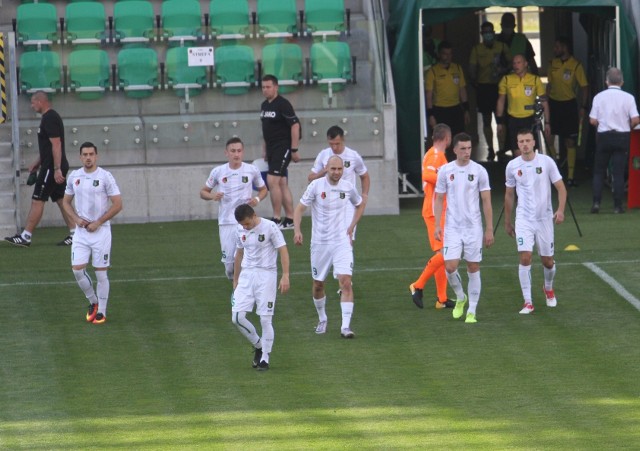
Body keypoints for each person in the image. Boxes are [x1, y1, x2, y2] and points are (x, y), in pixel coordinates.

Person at [293, 155, 366, 338]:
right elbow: (299, 209)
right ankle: (322, 318)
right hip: (320, 243)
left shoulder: (348, 187)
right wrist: (297, 230)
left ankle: (345, 327)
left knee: (346, 281)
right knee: (318, 284)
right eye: (333, 169)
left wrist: (351, 226)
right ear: (326, 168)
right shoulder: (316, 186)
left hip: (341, 242)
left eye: (340, 169)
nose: (336, 172)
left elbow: (359, 204)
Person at [504, 129, 567, 314]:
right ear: (517, 144)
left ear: (534, 143)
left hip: (544, 219)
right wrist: (508, 221)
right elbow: (509, 195)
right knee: (525, 257)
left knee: (548, 261)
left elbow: (561, 188)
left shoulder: (546, 162)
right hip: (524, 218)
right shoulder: (512, 166)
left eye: (527, 140)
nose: (524, 144)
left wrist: (561, 210)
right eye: (521, 141)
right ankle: (528, 302)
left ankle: (548, 288)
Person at [433, 133, 494, 323]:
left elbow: (486, 200)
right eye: (463, 149)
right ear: (455, 150)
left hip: (473, 228)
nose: (467, 152)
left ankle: (472, 311)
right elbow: (440, 198)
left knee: (473, 266)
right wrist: (437, 224)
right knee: (450, 267)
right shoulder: (445, 171)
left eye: (469, 148)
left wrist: (489, 228)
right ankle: (460, 296)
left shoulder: (479, 171)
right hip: (452, 227)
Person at [61, 142, 122, 324]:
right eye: (85, 154)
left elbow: (118, 204)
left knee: (101, 273)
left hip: (101, 232)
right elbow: (65, 202)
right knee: (77, 270)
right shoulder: (74, 176)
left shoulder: (105, 177)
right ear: (80, 157)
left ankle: (102, 311)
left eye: (91, 154)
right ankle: (93, 302)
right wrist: (76, 220)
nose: (88, 157)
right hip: (81, 233)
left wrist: (99, 222)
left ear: (96, 156)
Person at [4, 91, 75, 247]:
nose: (31, 106)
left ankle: (26, 236)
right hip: (50, 164)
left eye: (32, 102)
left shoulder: (49, 118)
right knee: (62, 200)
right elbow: (48, 147)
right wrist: (37, 162)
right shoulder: (48, 118)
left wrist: (56, 169)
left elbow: (56, 144)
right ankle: (76, 234)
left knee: (38, 199)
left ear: (40, 102)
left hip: (52, 167)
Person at [231, 204, 290, 371]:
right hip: (247, 275)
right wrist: (235, 279)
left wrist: (285, 275)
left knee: (265, 319)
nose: (245, 227)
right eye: (243, 225)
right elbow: (239, 254)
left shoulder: (270, 227)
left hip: (267, 275)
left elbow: (283, 250)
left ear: (254, 215)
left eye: (247, 224)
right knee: (237, 317)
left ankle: (265, 356)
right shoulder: (240, 229)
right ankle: (258, 345)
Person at [200, 137, 268, 280]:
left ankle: (242, 293)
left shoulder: (251, 170)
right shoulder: (218, 171)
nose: (236, 154)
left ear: (243, 152)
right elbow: (203, 192)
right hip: (226, 222)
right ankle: (234, 282)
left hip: (246, 222)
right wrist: (213, 196)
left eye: (239, 151)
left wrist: (256, 199)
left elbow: (263, 190)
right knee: (230, 266)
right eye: (233, 151)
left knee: (248, 261)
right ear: (226, 153)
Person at [409, 123, 454, 310]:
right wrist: (452, 181)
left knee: (441, 254)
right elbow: (428, 175)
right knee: (444, 254)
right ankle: (417, 285)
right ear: (447, 138)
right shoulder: (436, 155)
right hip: (435, 212)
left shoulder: (436, 154)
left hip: (439, 210)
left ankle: (441, 299)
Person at [589, 68, 640, 214]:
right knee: (618, 172)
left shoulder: (599, 97)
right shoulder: (628, 97)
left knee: (599, 171)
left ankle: (596, 203)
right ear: (622, 81)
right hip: (622, 136)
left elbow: (592, 120)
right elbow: (636, 119)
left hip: (604, 136)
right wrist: (628, 126)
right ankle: (618, 206)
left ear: (606, 81)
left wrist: (601, 124)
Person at [546, 37, 589, 187]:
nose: (555, 49)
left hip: (569, 105)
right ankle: (554, 172)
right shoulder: (552, 63)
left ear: (565, 47)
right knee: (549, 137)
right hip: (553, 104)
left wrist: (583, 106)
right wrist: (544, 102)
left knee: (569, 141)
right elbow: (549, 85)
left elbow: (584, 87)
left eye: (557, 46)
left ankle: (570, 176)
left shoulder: (576, 65)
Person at [260, 74, 301, 229]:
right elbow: (266, 129)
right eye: (263, 87)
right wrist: (265, 149)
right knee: (282, 183)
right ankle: (290, 219)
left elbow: (295, 125)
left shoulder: (283, 104)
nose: (265, 90)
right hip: (271, 149)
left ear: (276, 87)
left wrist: (294, 149)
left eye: (268, 87)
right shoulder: (264, 105)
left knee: (272, 181)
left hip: (282, 147)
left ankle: (276, 218)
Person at [469, 21, 511, 161]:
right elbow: (472, 69)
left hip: (500, 88)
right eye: (485, 32)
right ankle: (490, 149)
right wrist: (474, 81)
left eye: (490, 32)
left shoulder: (502, 47)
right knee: (486, 121)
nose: (488, 34)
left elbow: (512, 64)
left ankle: (502, 149)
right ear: (482, 34)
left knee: (501, 120)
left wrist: (503, 70)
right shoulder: (477, 49)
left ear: (494, 32)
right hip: (484, 88)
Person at [496, 54, 550, 158]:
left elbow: (544, 102)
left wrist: (547, 122)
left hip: (530, 120)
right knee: (517, 153)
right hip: (513, 120)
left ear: (525, 64)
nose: (516, 65)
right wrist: (499, 122)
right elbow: (501, 101)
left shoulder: (534, 80)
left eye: (519, 62)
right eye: (514, 63)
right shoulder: (506, 79)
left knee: (530, 152)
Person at [308, 125, 370, 203]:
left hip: (348, 201)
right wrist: (324, 171)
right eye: (331, 144)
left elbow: (364, 176)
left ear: (343, 139)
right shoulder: (323, 154)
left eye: (337, 144)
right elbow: (310, 178)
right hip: (328, 201)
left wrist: (364, 195)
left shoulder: (353, 155)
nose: (334, 147)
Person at [425, 41, 470, 138]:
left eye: (450, 54)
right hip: (440, 110)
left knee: (459, 139)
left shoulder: (457, 68)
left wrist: (466, 109)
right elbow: (429, 95)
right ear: (439, 54)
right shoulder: (433, 71)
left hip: (456, 109)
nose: (448, 57)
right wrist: (431, 115)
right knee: (441, 140)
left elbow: (462, 89)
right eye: (445, 54)